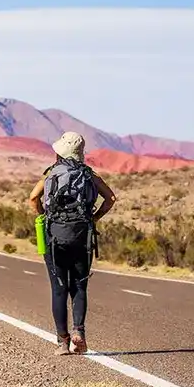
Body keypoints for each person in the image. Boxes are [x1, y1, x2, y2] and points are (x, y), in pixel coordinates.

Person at [28, 132, 116, 355]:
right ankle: (79, 332)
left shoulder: (50, 174)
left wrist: (43, 216)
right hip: (82, 236)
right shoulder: (89, 175)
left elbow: (32, 198)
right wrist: (94, 218)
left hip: (54, 237)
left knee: (59, 289)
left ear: (59, 152)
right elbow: (111, 198)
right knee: (79, 286)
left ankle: (62, 342)